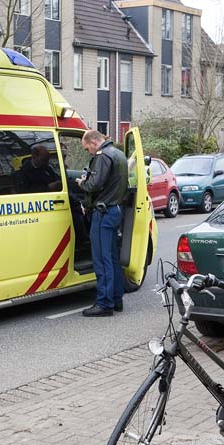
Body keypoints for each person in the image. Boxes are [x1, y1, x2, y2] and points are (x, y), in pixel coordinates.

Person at [77, 130, 128, 317]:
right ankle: (116, 299)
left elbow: (94, 185)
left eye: (87, 148)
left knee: (101, 259)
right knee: (113, 258)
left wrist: (82, 183)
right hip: (115, 210)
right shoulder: (119, 154)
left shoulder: (103, 156)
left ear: (94, 141)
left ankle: (104, 303)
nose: (88, 152)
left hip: (103, 213)